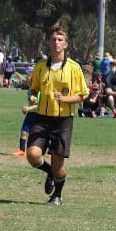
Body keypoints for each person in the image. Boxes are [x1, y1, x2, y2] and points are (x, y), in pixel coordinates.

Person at [25, 23, 88, 206]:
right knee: (32, 155)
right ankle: (50, 173)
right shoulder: (40, 67)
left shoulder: (74, 68)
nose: (56, 43)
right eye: (53, 39)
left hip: (63, 121)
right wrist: (31, 95)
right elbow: (34, 87)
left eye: (60, 40)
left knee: (58, 163)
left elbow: (83, 95)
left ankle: (57, 196)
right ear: (49, 43)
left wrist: (65, 99)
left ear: (66, 44)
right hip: (42, 118)